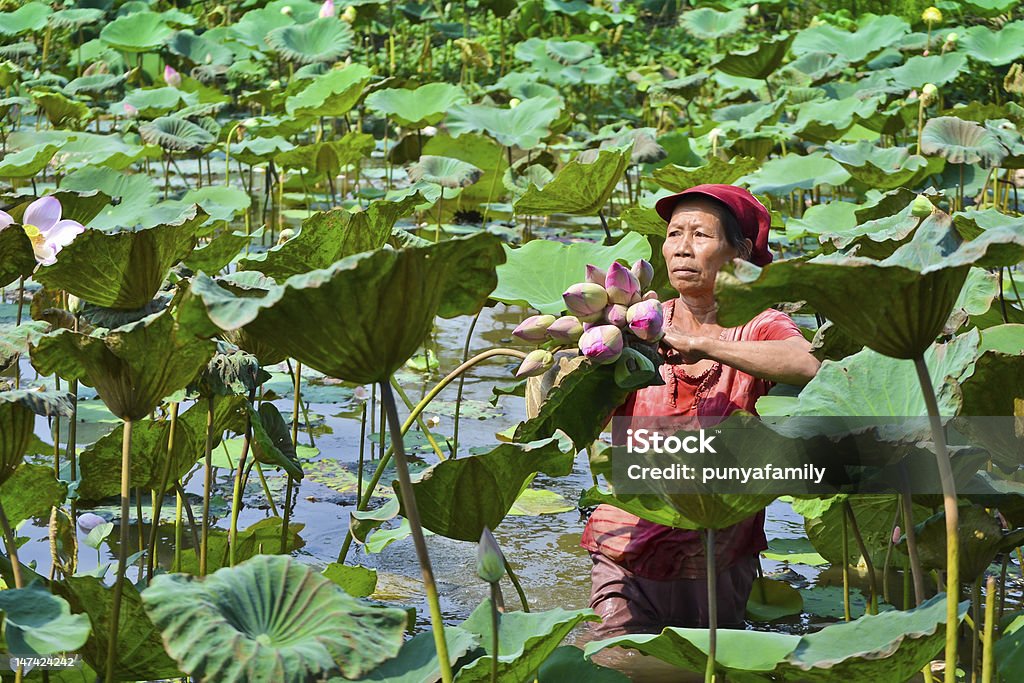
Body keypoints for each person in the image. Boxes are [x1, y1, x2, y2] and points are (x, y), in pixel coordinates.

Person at [580, 183, 821, 637]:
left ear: (741, 251)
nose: (682, 249)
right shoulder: (637, 321)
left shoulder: (760, 324)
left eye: (701, 235)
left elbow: (808, 363)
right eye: (674, 234)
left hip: (716, 550)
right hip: (625, 545)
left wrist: (701, 344)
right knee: (611, 658)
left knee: (704, 665)